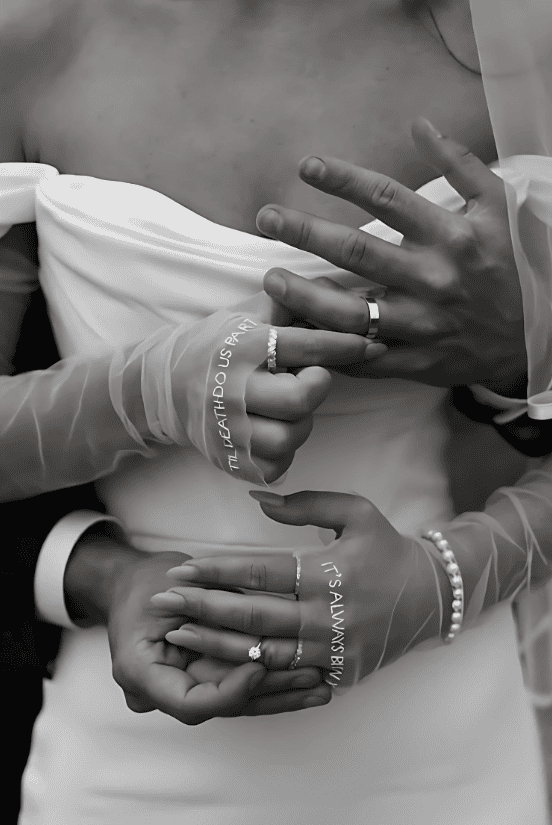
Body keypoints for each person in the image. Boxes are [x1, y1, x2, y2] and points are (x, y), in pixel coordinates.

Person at [0, 0, 549, 822]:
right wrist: (139, 397)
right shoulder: (36, 37)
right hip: (122, 756)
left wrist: (447, 579)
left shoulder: (515, 48)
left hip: (444, 752)